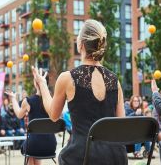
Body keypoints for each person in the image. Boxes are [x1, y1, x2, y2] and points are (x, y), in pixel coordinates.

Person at [32, 19, 127, 164]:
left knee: (63, 155)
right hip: (115, 157)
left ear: (81, 45)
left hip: (82, 156)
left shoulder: (67, 78)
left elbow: (53, 115)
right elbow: (122, 125)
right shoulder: (115, 80)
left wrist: (42, 85)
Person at [5, 76, 56, 165]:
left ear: (35, 83)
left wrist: (13, 98)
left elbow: (19, 114)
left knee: (31, 147)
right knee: (34, 147)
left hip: (34, 144)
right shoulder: (52, 101)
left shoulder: (28, 101)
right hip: (50, 145)